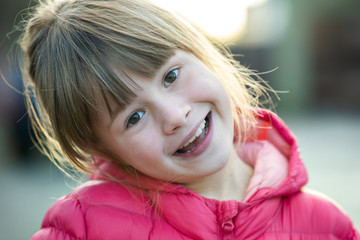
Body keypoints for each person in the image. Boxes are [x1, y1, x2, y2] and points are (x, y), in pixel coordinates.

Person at [18, 0, 359, 239]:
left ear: (201, 53)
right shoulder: (80, 228)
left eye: (170, 76)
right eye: (134, 117)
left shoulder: (327, 225)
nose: (175, 116)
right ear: (102, 148)